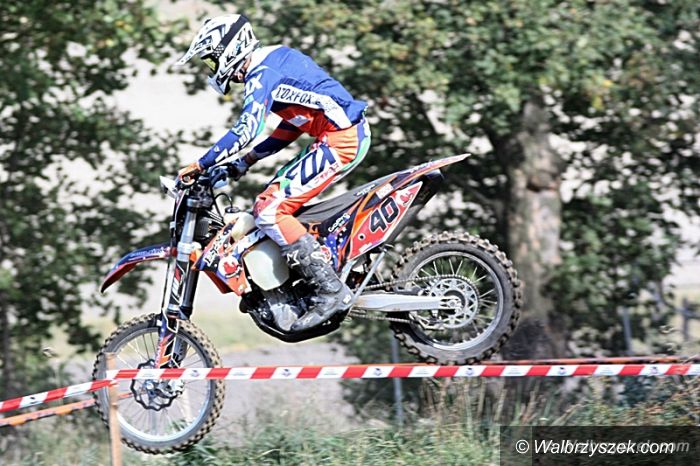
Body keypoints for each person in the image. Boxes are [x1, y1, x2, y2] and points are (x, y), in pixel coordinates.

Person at [175, 14, 371, 332]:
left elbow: (246, 130)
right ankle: (301, 282)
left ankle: (330, 291)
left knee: (269, 210)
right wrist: (245, 161)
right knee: (273, 201)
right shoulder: (273, 61)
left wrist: (202, 163)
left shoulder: (262, 73)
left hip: (341, 140)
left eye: (211, 60)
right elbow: (294, 123)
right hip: (339, 135)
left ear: (228, 48)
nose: (212, 68)